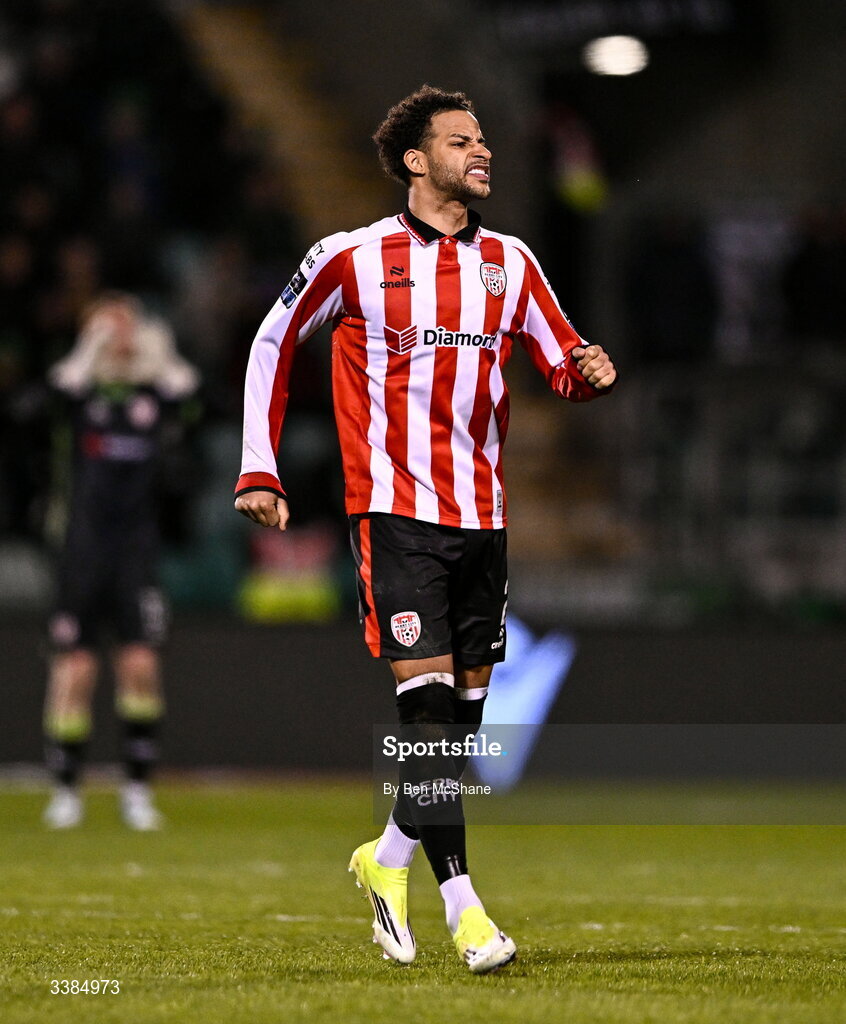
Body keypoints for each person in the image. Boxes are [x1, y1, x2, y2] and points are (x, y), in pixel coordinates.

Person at [234, 85, 616, 973]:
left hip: (482, 517)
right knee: (429, 716)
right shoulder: (352, 257)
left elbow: (562, 361)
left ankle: (385, 858)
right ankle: (466, 909)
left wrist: (589, 369)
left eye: (483, 140)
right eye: (461, 141)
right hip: (396, 513)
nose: (482, 153)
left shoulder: (513, 264)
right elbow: (271, 341)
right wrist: (261, 465)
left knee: (457, 737)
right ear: (416, 160)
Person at [42, 292, 199, 831]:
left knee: (139, 665)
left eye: (129, 326)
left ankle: (136, 789)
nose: (123, 337)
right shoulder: (80, 396)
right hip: (83, 551)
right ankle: (66, 790)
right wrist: (93, 343)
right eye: (111, 329)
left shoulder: (154, 396)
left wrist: (160, 348)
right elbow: (57, 389)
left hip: (136, 552)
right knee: (77, 668)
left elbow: (191, 390)